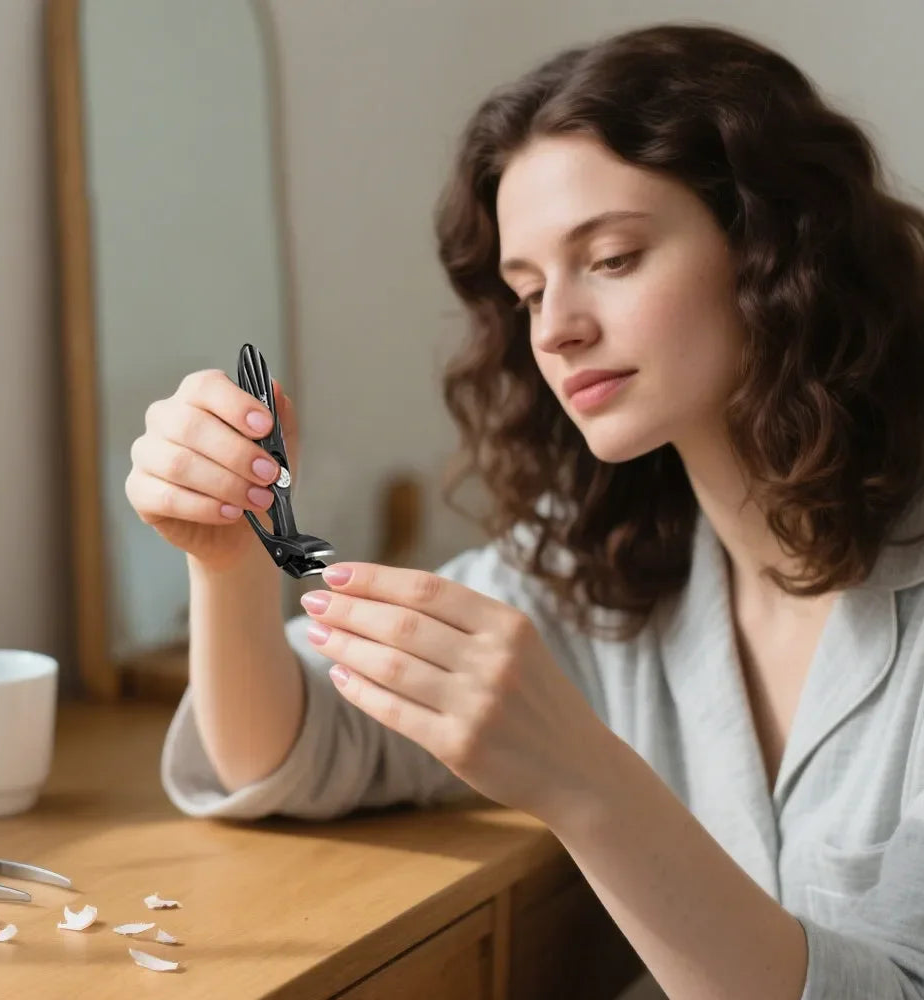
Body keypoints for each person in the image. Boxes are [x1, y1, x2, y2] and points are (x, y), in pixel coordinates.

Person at [125, 21, 924, 1000]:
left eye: (615, 257)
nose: (557, 327)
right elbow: (288, 750)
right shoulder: (606, 553)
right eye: (527, 289)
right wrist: (227, 562)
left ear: (773, 242)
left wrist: (581, 780)